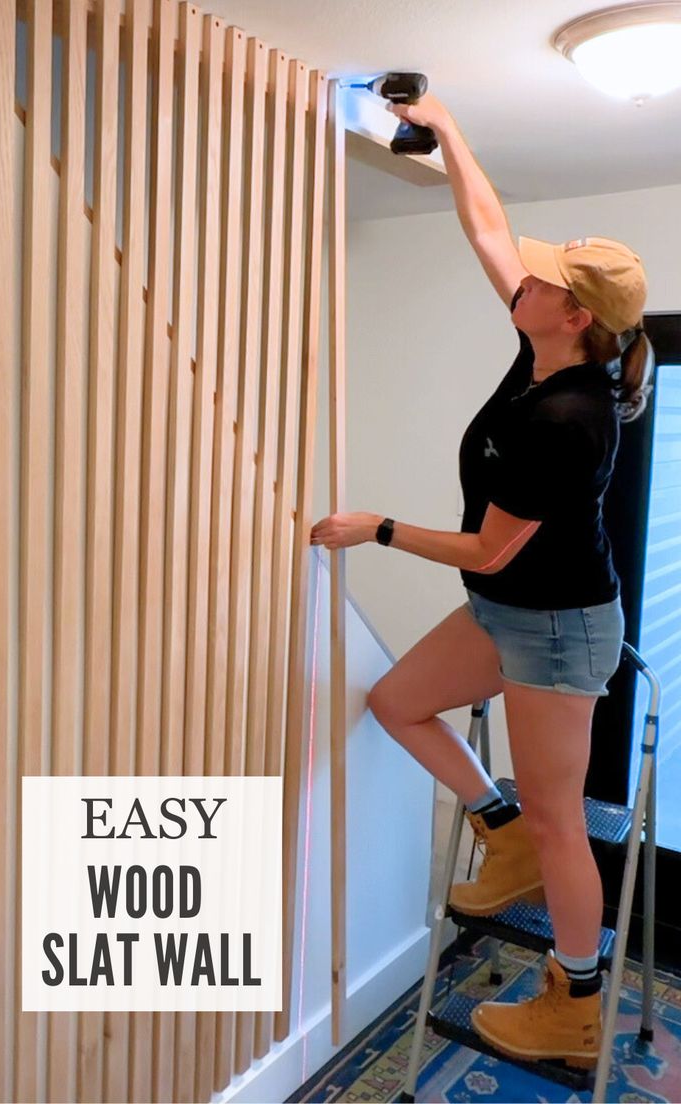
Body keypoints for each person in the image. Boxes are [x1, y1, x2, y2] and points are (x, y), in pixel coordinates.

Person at [309, 90, 654, 1070]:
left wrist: (370, 526)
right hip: (506, 610)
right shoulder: (540, 345)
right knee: (398, 702)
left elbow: (487, 550)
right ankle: (493, 830)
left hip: (554, 628)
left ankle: (573, 1005)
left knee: (561, 823)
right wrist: (449, 131)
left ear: (573, 310)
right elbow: (489, 227)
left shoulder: (567, 420)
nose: (521, 281)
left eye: (541, 280)